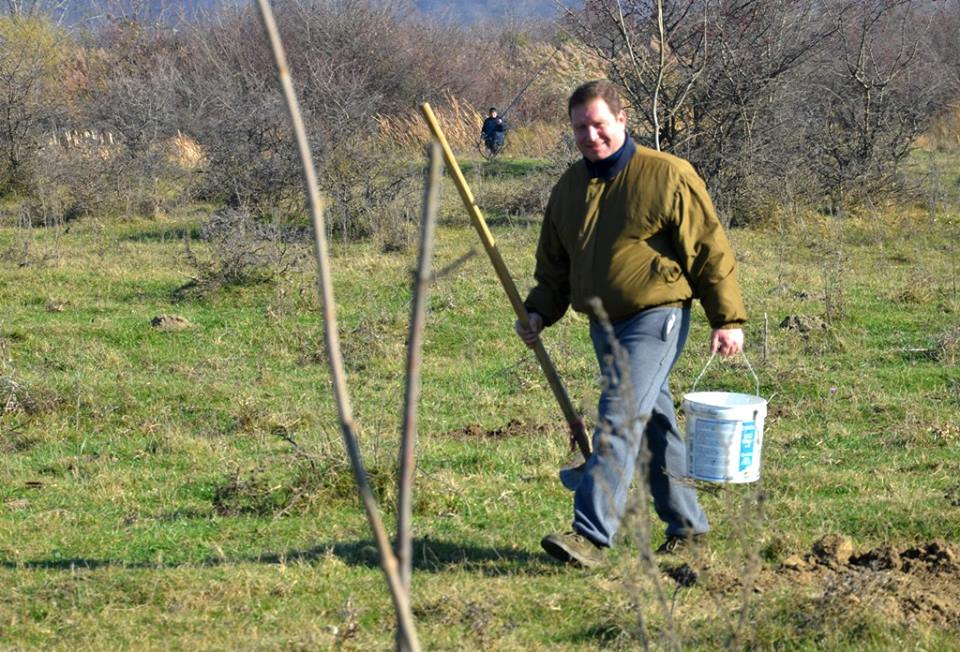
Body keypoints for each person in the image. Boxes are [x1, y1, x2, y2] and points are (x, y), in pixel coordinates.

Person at [515, 80, 747, 568]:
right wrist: (538, 310)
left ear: (621, 119)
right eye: (580, 127)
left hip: (657, 318)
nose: (590, 135)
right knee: (654, 426)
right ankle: (688, 527)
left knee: (619, 417)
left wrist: (726, 318)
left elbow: (708, 248)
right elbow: (554, 268)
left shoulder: (667, 174)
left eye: (599, 124)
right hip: (603, 326)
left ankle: (590, 534)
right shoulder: (568, 189)